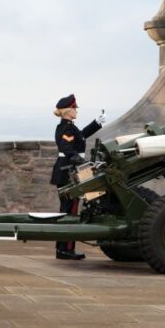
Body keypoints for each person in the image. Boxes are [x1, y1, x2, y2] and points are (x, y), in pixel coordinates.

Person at [49, 94, 105, 260]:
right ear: (68, 111)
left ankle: (63, 249)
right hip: (68, 172)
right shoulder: (65, 128)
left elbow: (81, 136)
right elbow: (66, 147)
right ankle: (65, 249)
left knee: (68, 210)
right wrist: (79, 160)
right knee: (69, 211)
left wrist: (97, 123)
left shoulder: (69, 126)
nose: (76, 111)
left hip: (69, 170)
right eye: (74, 108)